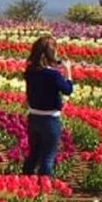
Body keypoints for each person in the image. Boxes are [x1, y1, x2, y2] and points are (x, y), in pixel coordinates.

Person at [21, 34, 73, 177]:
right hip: (50, 120)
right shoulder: (53, 75)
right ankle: (43, 187)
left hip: (33, 117)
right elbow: (68, 90)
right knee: (47, 157)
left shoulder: (30, 72)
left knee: (33, 154)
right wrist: (68, 71)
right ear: (52, 54)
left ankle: (25, 182)